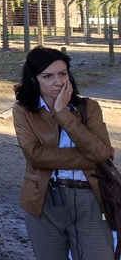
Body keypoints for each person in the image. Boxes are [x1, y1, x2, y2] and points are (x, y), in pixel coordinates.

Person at [13, 47, 114, 259]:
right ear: (34, 80)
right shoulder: (23, 111)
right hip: (44, 200)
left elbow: (102, 153)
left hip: (90, 200)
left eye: (63, 73)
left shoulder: (89, 107)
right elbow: (35, 156)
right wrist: (90, 158)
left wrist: (62, 113)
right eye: (47, 76)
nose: (58, 82)